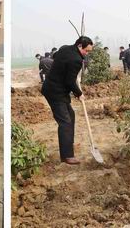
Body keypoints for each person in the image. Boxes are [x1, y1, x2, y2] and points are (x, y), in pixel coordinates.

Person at [41, 36, 93, 165]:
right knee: (65, 122)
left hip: (55, 88)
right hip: (55, 92)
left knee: (71, 115)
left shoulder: (65, 48)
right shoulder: (76, 60)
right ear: (79, 45)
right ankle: (67, 156)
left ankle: (68, 144)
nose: (86, 53)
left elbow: (56, 56)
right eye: (86, 50)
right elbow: (70, 81)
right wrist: (79, 93)